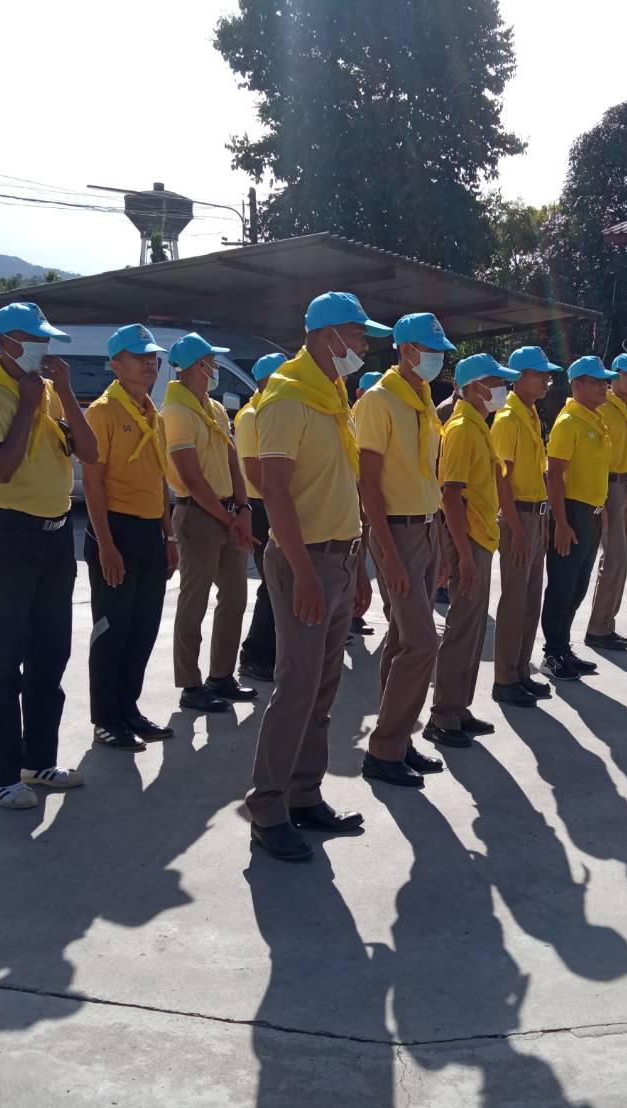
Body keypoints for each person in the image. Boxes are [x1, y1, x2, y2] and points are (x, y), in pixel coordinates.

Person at [247, 291, 386, 862]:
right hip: (303, 560)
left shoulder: (331, 396)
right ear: (328, 335)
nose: (364, 346)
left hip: (340, 557)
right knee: (297, 687)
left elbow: (342, 487)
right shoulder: (286, 398)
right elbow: (275, 493)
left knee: (323, 689)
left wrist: (358, 567)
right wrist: (304, 573)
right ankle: (268, 808)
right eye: (358, 335)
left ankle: (304, 796)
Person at [0, 302, 97, 809]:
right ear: (2, 343)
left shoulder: (50, 391)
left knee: (50, 654)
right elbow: (3, 467)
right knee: (5, 658)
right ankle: (0, 775)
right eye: (33, 339)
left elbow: (90, 453)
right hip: (8, 537)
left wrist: (67, 396)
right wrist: (29, 405)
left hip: (55, 537)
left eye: (45, 339)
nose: (43, 347)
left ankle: (39, 761)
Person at [354, 312, 454, 786]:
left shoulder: (422, 399)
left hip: (425, 528)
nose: (438, 359)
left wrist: (440, 542)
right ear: (407, 350)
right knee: (422, 642)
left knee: (400, 641)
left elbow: (427, 476)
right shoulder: (379, 401)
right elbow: (368, 483)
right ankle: (383, 750)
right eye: (431, 350)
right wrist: (388, 555)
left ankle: (397, 740)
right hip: (395, 531)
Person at [83, 324, 180, 750]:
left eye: (153, 357)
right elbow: (93, 483)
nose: (149, 364)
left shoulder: (152, 413)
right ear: (116, 364)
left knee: (143, 628)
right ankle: (106, 718)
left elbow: (159, 479)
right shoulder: (103, 412)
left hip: (149, 532)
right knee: (113, 630)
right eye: (139, 357)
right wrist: (106, 546)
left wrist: (169, 536)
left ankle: (128, 709)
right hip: (115, 530)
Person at [160, 333, 256, 715]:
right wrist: (228, 517)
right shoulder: (176, 412)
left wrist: (243, 508)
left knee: (234, 597)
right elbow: (192, 478)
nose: (214, 367)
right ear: (197, 365)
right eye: (211, 361)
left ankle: (221, 676)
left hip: (226, 513)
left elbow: (232, 460)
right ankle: (190, 684)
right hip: (199, 516)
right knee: (194, 601)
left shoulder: (213, 408)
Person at [426, 352, 516, 743]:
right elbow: (450, 495)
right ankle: (443, 716)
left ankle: (459, 708)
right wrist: (462, 555)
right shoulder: (462, 428)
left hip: (480, 537)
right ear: (476, 387)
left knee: (474, 630)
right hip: (470, 539)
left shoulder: (478, 425)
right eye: (497, 382)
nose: (502, 389)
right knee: (461, 629)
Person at [491, 345, 561, 707]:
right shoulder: (507, 419)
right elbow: (501, 479)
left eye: (547, 374)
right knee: (515, 601)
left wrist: (542, 520)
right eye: (539, 374)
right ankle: (504, 678)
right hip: (517, 516)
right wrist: (517, 529)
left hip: (535, 515)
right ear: (519, 378)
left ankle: (520, 671)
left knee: (531, 600)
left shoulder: (531, 414)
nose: (547, 380)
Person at [540, 356, 614, 682]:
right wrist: (561, 523)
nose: (603, 387)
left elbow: (595, 472)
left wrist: (602, 509)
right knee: (562, 585)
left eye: (604, 381)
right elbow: (554, 476)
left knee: (578, 587)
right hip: (571, 512)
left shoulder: (594, 420)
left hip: (591, 513)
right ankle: (551, 653)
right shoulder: (569, 422)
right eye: (596, 381)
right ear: (577, 385)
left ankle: (564, 647)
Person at [585, 352, 627, 651]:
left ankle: (607, 624)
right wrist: (601, 501)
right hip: (609, 486)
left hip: (625, 485)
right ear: (614, 376)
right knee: (614, 559)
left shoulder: (625, 406)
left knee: (621, 560)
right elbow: (596, 458)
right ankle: (598, 627)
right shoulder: (605, 408)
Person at [235, 352, 286, 683]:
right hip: (262, 507)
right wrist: (280, 504)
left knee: (281, 583)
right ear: (267, 380)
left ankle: (275, 652)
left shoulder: (274, 412)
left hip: (275, 504)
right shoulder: (252, 416)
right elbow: (254, 471)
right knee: (272, 584)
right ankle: (255, 655)